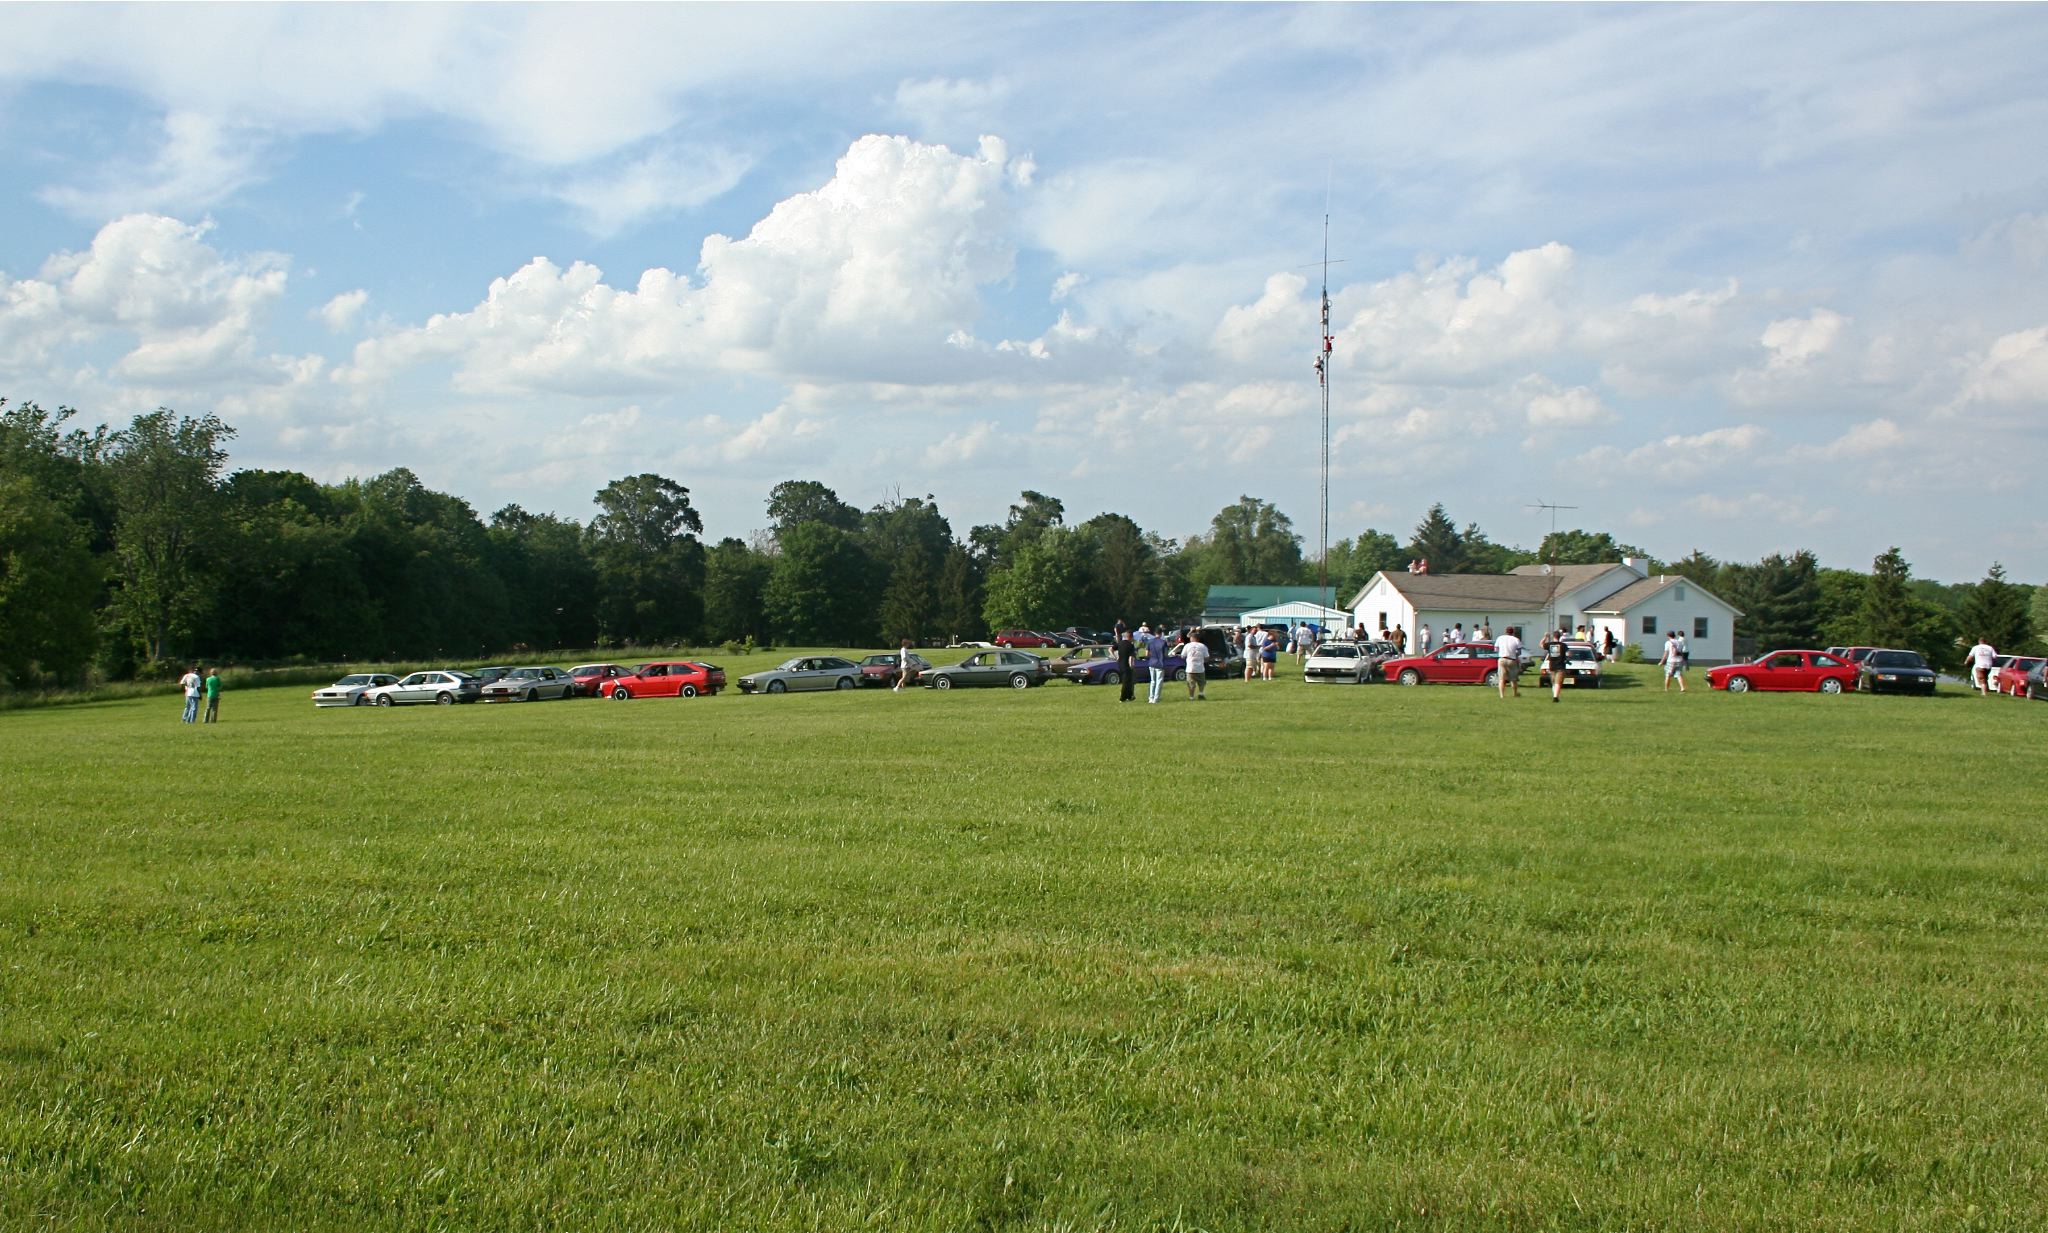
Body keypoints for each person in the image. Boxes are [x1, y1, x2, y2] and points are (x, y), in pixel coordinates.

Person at [1141, 623, 1169, 704]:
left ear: (1154, 633)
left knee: (1152, 681)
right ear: (1161, 633)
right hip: (1160, 663)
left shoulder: (1150, 642)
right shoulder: (1163, 642)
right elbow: (1166, 654)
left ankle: (1151, 698)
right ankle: (1156, 699)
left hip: (1151, 663)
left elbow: (1146, 654)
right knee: (1159, 682)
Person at [1181, 627, 1209, 699]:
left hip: (1190, 668)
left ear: (1192, 638)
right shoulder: (1203, 646)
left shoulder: (1187, 646)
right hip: (1200, 667)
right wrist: (1203, 661)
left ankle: (1191, 697)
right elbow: (1207, 657)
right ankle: (1201, 693)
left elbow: (1183, 656)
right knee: (1202, 682)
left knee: (1191, 683)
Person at [1495, 626, 1523, 699]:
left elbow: (1496, 649)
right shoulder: (1516, 639)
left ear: (1505, 631)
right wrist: (1514, 654)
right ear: (1513, 632)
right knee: (1513, 679)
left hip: (1502, 659)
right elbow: (1519, 652)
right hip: (1511, 660)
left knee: (1501, 679)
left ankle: (1502, 695)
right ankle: (1515, 694)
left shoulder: (1500, 638)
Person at [1543, 630, 1568, 702]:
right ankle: (1555, 697)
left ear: (1553, 636)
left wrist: (1545, 637)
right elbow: (1569, 653)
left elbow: (1541, 644)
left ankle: (1555, 696)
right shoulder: (1563, 645)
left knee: (1554, 683)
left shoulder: (1549, 645)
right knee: (1558, 683)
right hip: (1560, 666)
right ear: (1559, 637)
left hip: (1552, 666)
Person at [1115, 625, 1137, 703]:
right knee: (1126, 683)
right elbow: (1131, 657)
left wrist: (1115, 657)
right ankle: (1122, 698)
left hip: (1120, 665)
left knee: (1128, 682)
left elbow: (1110, 649)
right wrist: (1131, 666)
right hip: (1127, 666)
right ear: (1131, 637)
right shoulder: (1130, 645)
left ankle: (1129, 696)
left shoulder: (1120, 643)